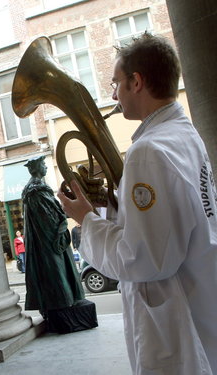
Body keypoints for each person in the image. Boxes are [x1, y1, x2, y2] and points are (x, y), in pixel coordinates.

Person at [57, 32, 217, 374]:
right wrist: (112, 205)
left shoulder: (149, 151)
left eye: (116, 83)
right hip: (197, 302)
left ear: (137, 81)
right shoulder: (184, 134)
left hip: (174, 328)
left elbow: (141, 259)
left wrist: (87, 219)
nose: (113, 94)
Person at [22, 156, 96, 333]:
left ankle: (62, 301)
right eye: (43, 165)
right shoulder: (37, 190)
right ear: (37, 168)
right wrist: (62, 222)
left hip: (46, 240)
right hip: (50, 241)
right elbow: (48, 217)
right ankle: (61, 301)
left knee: (55, 272)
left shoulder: (33, 189)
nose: (46, 167)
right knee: (56, 271)